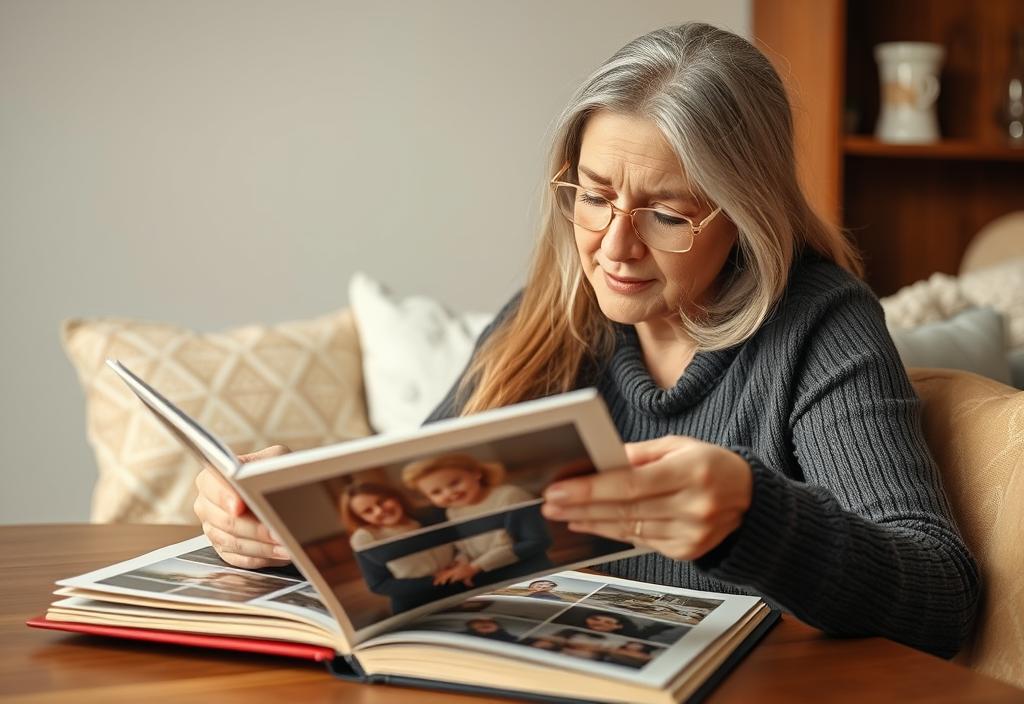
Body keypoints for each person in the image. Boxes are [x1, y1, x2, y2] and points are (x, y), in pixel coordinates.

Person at [192, 22, 978, 658]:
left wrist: (753, 516)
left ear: (746, 214)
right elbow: (417, 516)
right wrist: (287, 520)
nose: (612, 246)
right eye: (594, 196)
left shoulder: (820, 324)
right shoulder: (550, 315)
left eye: (668, 214)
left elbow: (941, 597)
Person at [401, 454, 553, 588]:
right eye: (436, 492)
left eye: (454, 483)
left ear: (475, 473)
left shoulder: (510, 496)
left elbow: (536, 541)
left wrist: (474, 567)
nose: (449, 493)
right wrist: (461, 562)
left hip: (532, 577)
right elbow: (467, 547)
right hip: (490, 582)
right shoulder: (453, 511)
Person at [340, 482, 458, 612]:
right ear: (361, 518)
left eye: (382, 501)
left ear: (395, 496)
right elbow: (379, 585)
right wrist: (435, 579)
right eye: (368, 511)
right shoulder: (365, 538)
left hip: (462, 584)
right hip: (417, 604)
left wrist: (460, 564)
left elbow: (461, 545)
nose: (379, 511)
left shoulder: (433, 514)